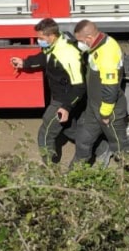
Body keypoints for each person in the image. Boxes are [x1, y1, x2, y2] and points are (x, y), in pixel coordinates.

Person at [10, 18, 86, 165]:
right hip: (59, 96)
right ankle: (100, 147)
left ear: (51, 36)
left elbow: (79, 86)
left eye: (41, 38)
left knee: (45, 134)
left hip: (63, 100)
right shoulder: (54, 45)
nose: (39, 41)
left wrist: (66, 107)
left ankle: (49, 169)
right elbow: (45, 57)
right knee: (69, 130)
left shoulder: (67, 54)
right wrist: (25, 63)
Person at [68, 19, 129, 168]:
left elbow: (110, 87)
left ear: (89, 38)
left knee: (120, 147)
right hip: (94, 107)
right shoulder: (96, 45)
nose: (80, 44)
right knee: (83, 140)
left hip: (109, 110)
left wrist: (105, 114)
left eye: (81, 41)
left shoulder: (107, 52)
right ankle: (74, 175)